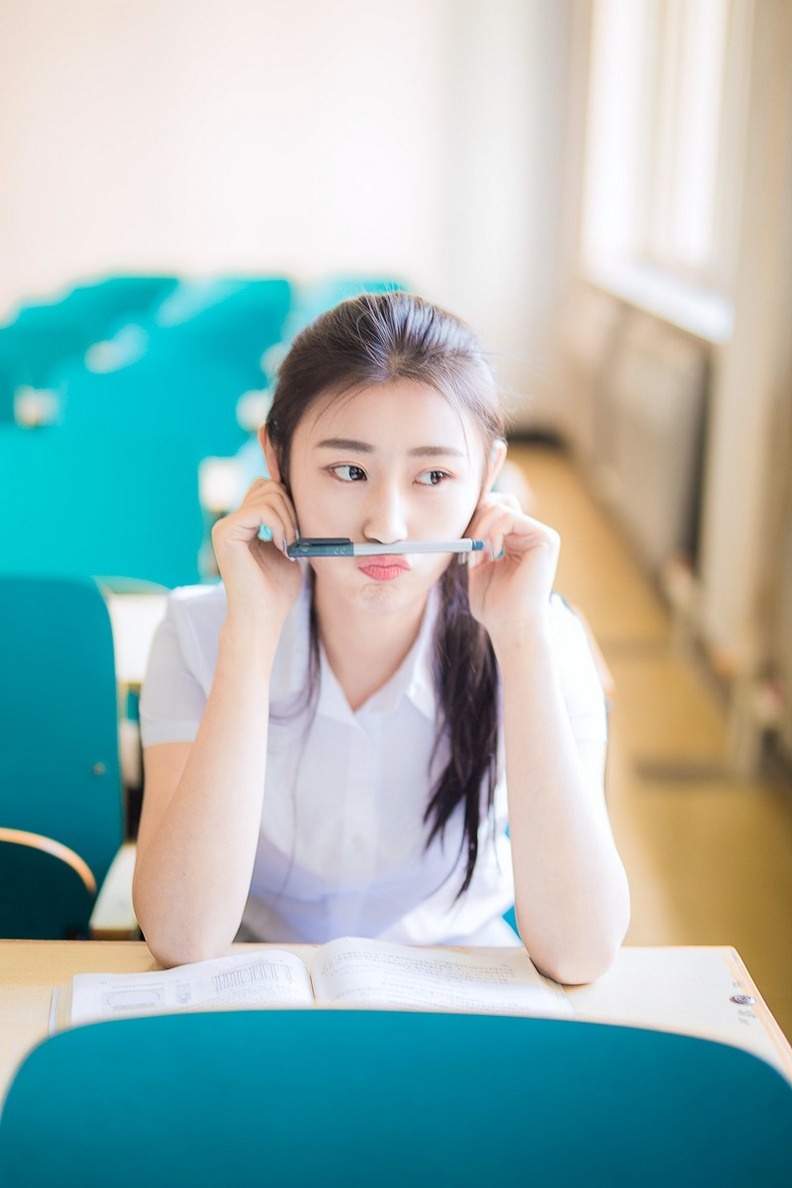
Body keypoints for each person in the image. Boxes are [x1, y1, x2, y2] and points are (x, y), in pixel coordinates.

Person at [134, 291, 630, 982]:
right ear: (275, 462)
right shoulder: (196, 630)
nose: (387, 525)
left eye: (434, 475)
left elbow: (581, 950)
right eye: (348, 471)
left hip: (461, 986)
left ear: (488, 475)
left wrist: (519, 641)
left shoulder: (543, 635)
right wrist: (250, 634)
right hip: (259, 983)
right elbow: (183, 935)